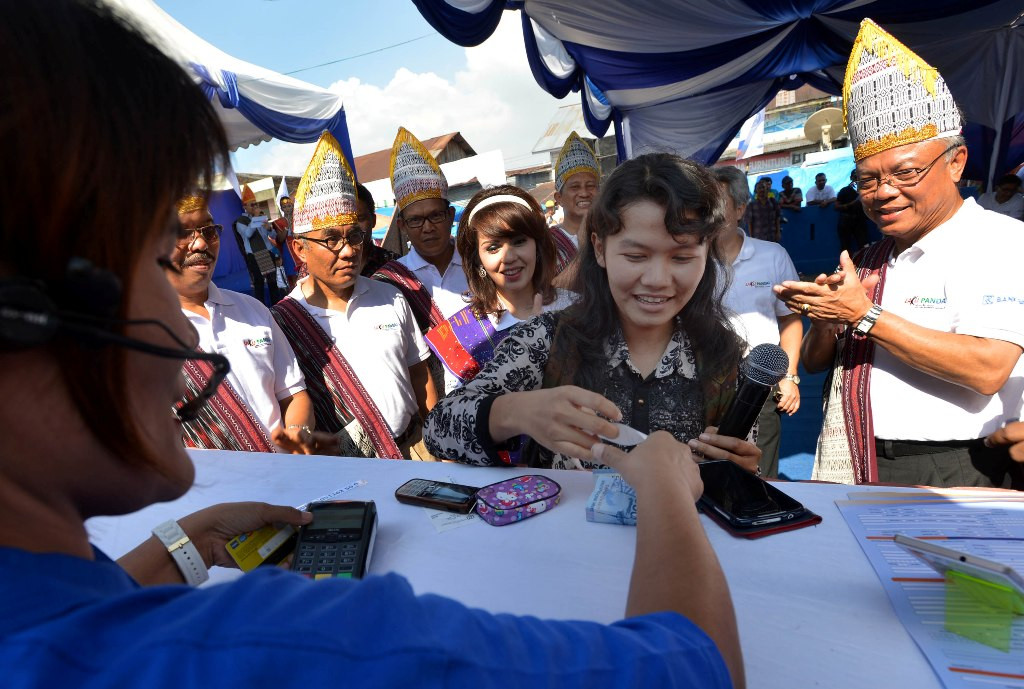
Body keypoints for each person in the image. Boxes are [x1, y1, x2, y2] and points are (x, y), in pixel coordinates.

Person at [0, 5, 745, 686]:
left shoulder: (725, 348)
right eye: (158, 255)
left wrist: (177, 546)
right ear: (25, 312)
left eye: (682, 256)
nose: (176, 319)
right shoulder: (302, 645)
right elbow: (691, 666)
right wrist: (655, 484)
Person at [775, 19, 1024, 489]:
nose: (883, 192)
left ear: (956, 162)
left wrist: (865, 315)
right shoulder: (869, 257)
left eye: (905, 173)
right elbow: (812, 363)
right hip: (858, 457)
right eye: (867, 179)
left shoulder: (999, 242)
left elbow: (988, 367)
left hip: (955, 467)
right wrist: (830, 318)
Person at [425, 153, 761, 474]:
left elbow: (739, 462)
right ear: (600, 249)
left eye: (682, 257)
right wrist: (515, 412)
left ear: (707, 254)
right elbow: (439, 429)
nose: (658, 280)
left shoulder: (725, 354)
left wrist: (740, 472)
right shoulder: (547, 339)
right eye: (636, 256)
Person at [273, 131, 437, 461]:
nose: (348, 251)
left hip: (418, 447)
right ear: (299, 249)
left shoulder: (390, 296)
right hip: (353, 467)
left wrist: (441, 441)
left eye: (354, 236)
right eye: (331, 239)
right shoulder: (282, 321)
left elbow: (420, 375)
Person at [170, 195, 316, 454]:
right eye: (184, 233)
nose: (202, 243)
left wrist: (297, 437)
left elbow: (293, 395)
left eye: (209, 231)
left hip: (290, 479)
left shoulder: (253, 311)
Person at [425, 185, 575, 394]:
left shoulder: (578, 307)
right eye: (493, 247)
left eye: (519, 241)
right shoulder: (463, 334)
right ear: (477, 258)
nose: (509, 257)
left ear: (537, 245)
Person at [713, 167, 802, 478]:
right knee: (706, 474)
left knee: (760, 477)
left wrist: (789, 377)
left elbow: (790, 320)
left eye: (718, 202)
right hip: (703, 388)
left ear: (740, 208)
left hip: (759, 386)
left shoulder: (773, 256)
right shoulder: (686, 260)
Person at [371, 127, 468, 334]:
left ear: (450, 215)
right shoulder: (389, 282)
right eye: (415, 220)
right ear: (402, 226)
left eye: (435, 216)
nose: (427, 228)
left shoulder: (480, 262)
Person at [550, 131, 601, 275]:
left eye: (590, 185)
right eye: (575, 187)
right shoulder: (547, 243)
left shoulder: (612, 233)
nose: (584, 193)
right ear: (559, 198)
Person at [234, 184, 284, 306]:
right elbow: (248, 234)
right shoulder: (240, 221)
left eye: (256, 204)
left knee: (273, 282)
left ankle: (277, 307)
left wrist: (269, 228)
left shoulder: (260, 217)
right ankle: (260, 308)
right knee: (259, 283)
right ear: (244, 206)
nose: (255, 207)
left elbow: (271, 236)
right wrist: (255, 218)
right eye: (252, 205)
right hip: (255, 255)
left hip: (266, 252)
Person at [356, 183, 398, 277]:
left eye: (360, 219)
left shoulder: (395, 263)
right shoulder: (328, 267)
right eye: (346, 221)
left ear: (373, 220)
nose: (353, 227)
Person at [834, 169, 869, 254]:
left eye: (858, 177)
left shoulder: (866, 190)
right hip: (846, 221)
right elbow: (836, 206)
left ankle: (866, 265)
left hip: (860, 221)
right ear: (851, 178)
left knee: (864, 244)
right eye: (855, 177)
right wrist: (851, 204)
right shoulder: (845, 190)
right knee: (845, 246)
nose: (856, 179)